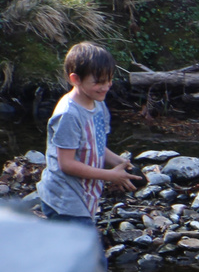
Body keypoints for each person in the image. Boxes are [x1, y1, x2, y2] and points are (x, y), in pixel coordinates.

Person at [37, 41, 140, 231]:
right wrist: (110, 176)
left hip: (83, 196)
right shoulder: (69, 114)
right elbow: (66, 164)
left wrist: (120, 163)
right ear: (75, 79)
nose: (106, 87)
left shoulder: (98, 103)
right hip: (64, 199)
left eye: (109, 80)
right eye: (99, 82)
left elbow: (96, 144)